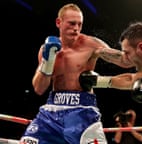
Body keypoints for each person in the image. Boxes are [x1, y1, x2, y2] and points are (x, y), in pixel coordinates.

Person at [19, 3, 117, 144]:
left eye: (79, 24)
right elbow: (39, 89)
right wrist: (49, 61)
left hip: (82, 110)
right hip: (52, 112)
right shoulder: (47, 49)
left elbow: (122, 59)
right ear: (59, 22)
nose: (76, 28)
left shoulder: (91, 44)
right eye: (72, 23)